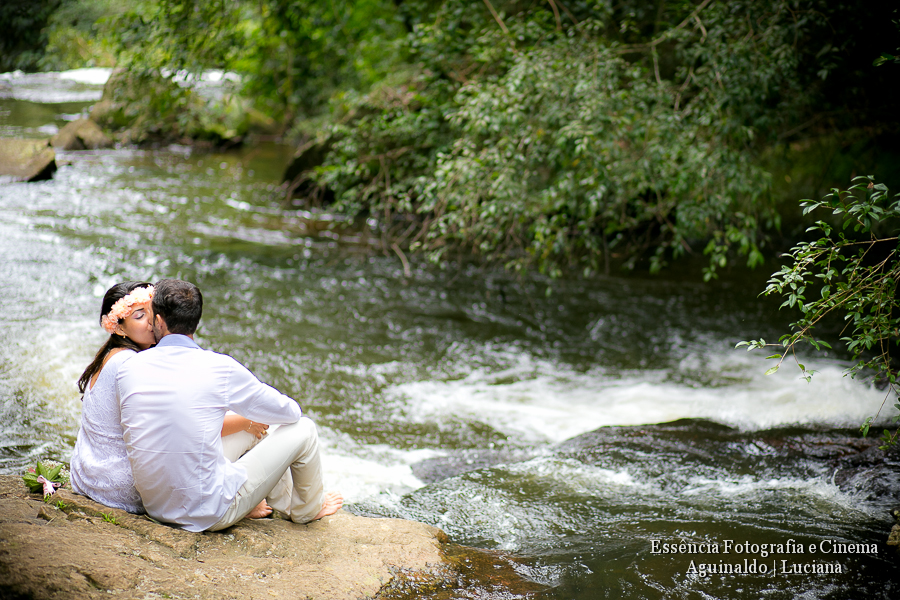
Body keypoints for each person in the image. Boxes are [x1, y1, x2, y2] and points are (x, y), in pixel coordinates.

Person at [117, 278, 342, 532]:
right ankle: (307, 511)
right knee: (305, 428)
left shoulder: (129, 367)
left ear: (158, 321)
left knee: (249, 428)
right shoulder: (219, 367)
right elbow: (290, 413)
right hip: (206, 513)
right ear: (196, 321)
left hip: (156, 506)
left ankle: (283, 504)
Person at [70, 281, 278, 518]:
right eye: (139, 316)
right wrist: (245, 422)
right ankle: (257, 503)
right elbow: (181, 427)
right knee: (249, 429)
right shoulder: (131, 365)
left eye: (151, 312)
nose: (151, 322)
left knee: (229, 422)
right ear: (118, 328)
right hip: (122, 487)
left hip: (89, 474)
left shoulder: (113, 355)